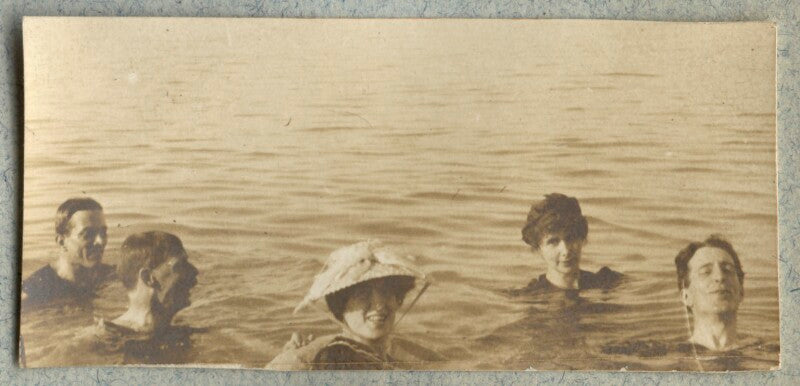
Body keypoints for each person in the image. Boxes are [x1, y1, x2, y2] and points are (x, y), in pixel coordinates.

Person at [266, 240, 442, 370]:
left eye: (386, 291)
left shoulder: (419, 356)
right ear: (340, 305)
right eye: (362, 294)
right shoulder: (303, 361)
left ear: (398, 298)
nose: (379, 305)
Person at [36, 231, 199, 366]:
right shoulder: (97, 340)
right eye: (180, 266)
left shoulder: (177, 331)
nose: (194, 272)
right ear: (149, 278)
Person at [517, 193, 620, 294]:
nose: (566, 251)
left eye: (570, 238)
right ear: (538, 249)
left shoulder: (609, 282)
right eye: (553, 242)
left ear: (582, 239)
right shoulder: (531, 298)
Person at [21, 197, 114, 307]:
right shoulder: (36, 290)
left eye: (103, 233)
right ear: (61, 242)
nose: (101, 241)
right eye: (88, 234)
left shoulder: (112, 276)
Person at [675, 235, 744, 352]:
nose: (720, 277)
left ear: (741, 292)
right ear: (686, 297)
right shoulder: (668, 355)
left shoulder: (768, 352)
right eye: (705, 272)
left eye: (727, 270)